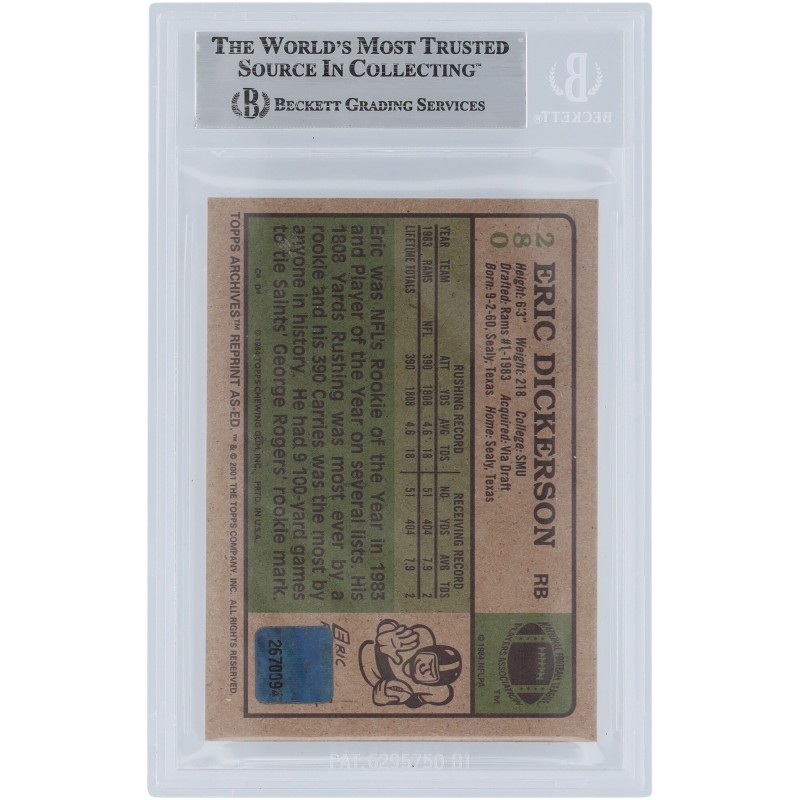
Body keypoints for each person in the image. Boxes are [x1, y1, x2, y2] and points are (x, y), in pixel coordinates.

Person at [358, 618, 462, 708]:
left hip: (367, 679)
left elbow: (412, 702)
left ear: (433, 683)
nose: (424, 668)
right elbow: (388, 624)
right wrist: (388, 634)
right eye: (430, 662)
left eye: (431, 674)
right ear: (427, 650)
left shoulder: (426, 691)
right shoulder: (419, 637)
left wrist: (383, 699)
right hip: (364, 648)